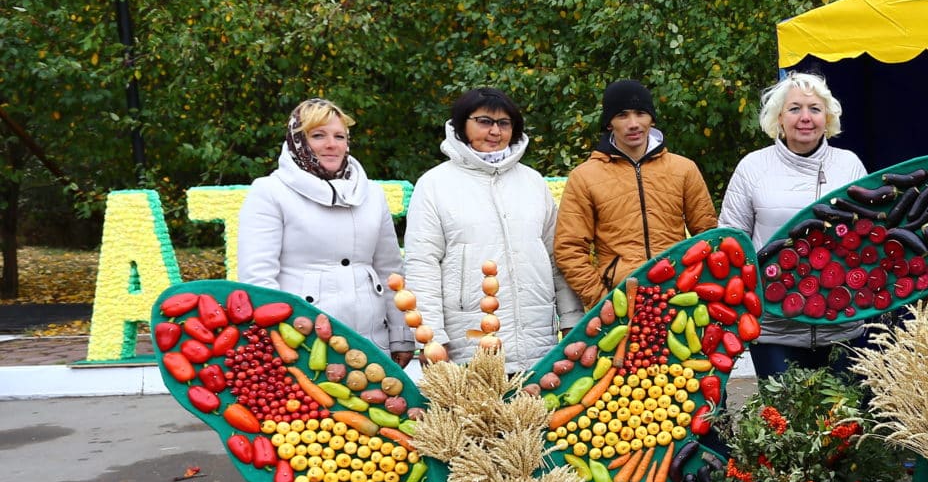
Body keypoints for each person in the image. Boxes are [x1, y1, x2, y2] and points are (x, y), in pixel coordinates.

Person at [403, 88, 581, 371]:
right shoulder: (435, 184)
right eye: (484, 121)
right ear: (463, 124)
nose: (495, 131)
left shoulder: (533, 182)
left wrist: (572, 319)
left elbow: (556, 256)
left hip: (538, 345)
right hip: (468, 344)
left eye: (504, 123)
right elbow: (422, 264)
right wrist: (432, 337)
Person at [238, 98, 412, 364]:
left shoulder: (373, 193)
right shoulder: (269, 191)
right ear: (298, 141)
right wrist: (274, 342)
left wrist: (401, 334)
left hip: (372, 342)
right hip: (302, 344)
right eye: (318, 135)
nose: (332, 144)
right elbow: (258, 278)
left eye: (339, 136)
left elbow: (391, 271)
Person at [717, 73, 867, 378]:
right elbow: (732, 243)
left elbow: (868, 237)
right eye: (795, 108)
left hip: (840, 326)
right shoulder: (753, 167)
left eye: (814, 109)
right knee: (783, 422)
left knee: (842, 421)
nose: (805, 118)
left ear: (827, 117)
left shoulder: (849, 164)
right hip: (774, 329)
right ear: (779, 118)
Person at [554, 79, 716, 309]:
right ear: (609, 123)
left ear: (651, 118)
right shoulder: (585, 177)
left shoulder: (683, 169)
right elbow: (569, 248)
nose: (633, 124)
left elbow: (708, 236)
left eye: (641, 113)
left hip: (679, 296)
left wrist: (699, 287)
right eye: (622, 115)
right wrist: (601, 300)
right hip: (619, 299)